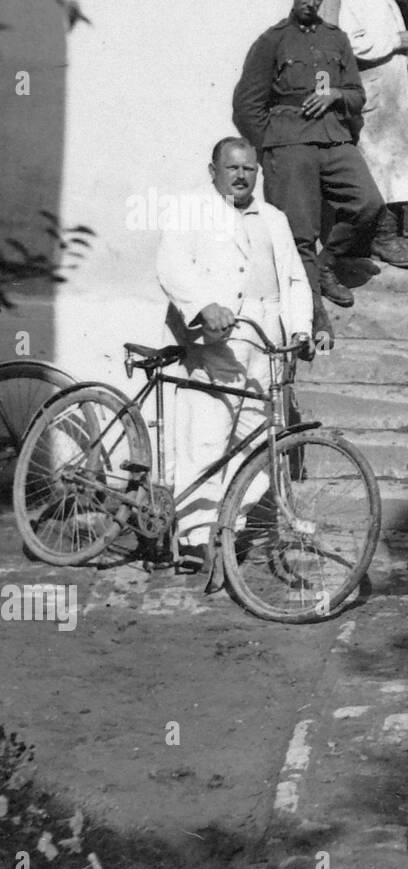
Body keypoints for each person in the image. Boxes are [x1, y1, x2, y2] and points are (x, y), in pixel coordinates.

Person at [155, 138, 324, 571]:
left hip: (265, 347)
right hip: (215, 345)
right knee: (207, 438)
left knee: (261, 443)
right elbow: (172, 267)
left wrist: (301, 328)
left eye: (249, 169)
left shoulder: (274, 219)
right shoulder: (193, 212)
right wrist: (202, 307)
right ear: (213, 170)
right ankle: (193, 538)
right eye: (232, 168)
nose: (242, 175)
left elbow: (294, 280)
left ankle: (229, 525)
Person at [232, 0, 385, 329]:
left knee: (369, 203)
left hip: (334, 138)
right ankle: (313, 314)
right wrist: (271, 147)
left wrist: (335, 94)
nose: (311, 2)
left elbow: (357, 95)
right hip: (289, 145)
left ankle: (328, 265)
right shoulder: (272, 41)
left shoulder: (337, 39)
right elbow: (246, 106)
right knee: (298, 232)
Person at [338, 0, 408, 264]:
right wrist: (395, 41)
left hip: (393, 95)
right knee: (380, 165)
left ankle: (393, 235)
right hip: (375, 97)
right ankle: (380, 238)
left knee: (396, 164)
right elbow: (351, 42)